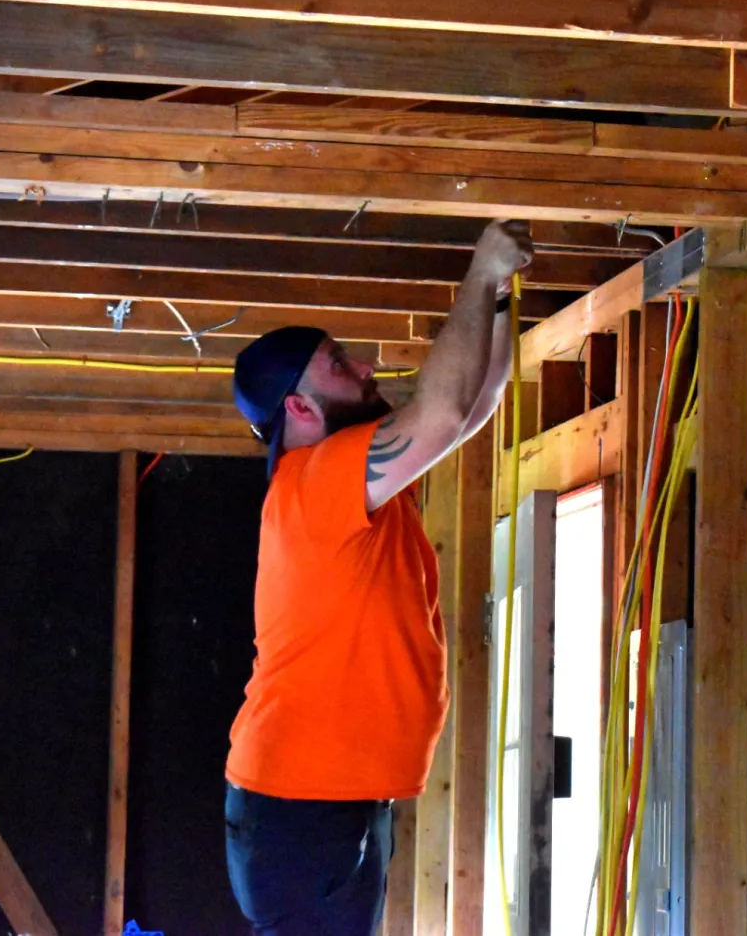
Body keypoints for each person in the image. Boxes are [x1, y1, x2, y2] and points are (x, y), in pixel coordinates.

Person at [224, 218, 534, 935]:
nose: (365, 369)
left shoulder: (350, 485)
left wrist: (494, 295)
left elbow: (470, 409)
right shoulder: (318, 480)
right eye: (339, 364)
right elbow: (446, 408)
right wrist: (480, 271)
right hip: (301, 809)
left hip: (319, 805)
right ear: (298, 408)